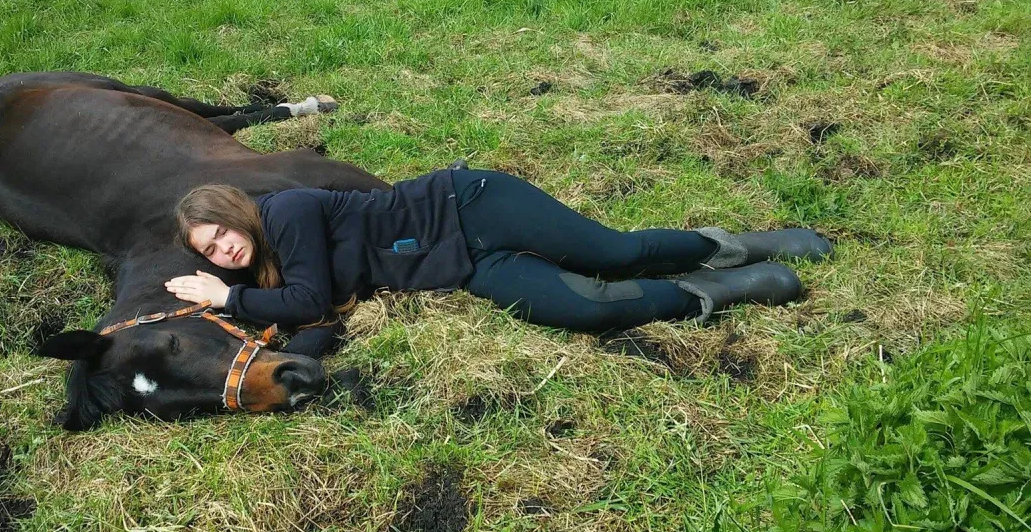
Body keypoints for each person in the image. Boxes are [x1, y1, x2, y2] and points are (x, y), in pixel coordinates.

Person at [164, 168, 832, 334]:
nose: (223, 250)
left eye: (221, 234)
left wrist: (227, 298)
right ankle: (720, 291)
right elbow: (300, 308)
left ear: (236, 214)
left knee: (614, 254)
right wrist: (237, 295)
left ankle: (738, 247)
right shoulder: (267, 267)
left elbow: (306, 303)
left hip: (470, 204)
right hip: (465, 266)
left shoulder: (287, 212)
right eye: (210, 252)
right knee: (586, 309)